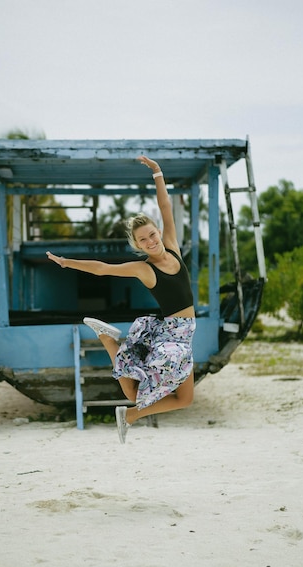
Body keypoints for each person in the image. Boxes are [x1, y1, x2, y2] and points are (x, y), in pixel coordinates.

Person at [46, 155, 196, 443]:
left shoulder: (173, 246)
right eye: (143, 240)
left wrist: (157, 172)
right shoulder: (144, 268)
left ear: (157, 233)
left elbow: (165, 207)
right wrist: (66, 262)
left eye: (152, 234)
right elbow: (103, 269)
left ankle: (130, 416)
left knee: (185, 399)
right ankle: (108, 341)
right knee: (133, 392)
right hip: (171, 336)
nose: (151, 241)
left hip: (185, 337)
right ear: (137, 245)